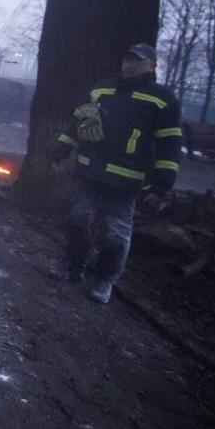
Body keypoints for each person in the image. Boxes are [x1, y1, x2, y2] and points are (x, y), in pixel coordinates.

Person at [51, 43, 183, 304]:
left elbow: (169, 144)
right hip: (89, 172)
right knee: (77, 219)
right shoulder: (102, 89)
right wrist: (62, 146)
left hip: (126, 181)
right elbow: (79, 121)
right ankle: (72, 266)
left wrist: (162, 184)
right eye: (126, 59)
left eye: (137, 60)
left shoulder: (162, 99)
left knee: (115, 234)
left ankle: (103, 279)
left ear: (152, 66)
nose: (129, 64)